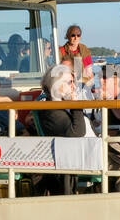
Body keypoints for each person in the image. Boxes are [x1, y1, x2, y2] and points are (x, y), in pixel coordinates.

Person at [34, 64, 84, 195]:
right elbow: (77, 132)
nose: (73, 86)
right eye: (70, 82)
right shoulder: (52, 111)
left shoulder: (58, 105)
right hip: (76, 156)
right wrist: (76, 105)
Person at [59, 24, 93, 89]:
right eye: (73, 35)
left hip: (83, 84)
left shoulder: (84, 49)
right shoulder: (61, 51)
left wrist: (90, 86)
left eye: (78, 35)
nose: (76, 38)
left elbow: (89, 72)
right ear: (68, 36)